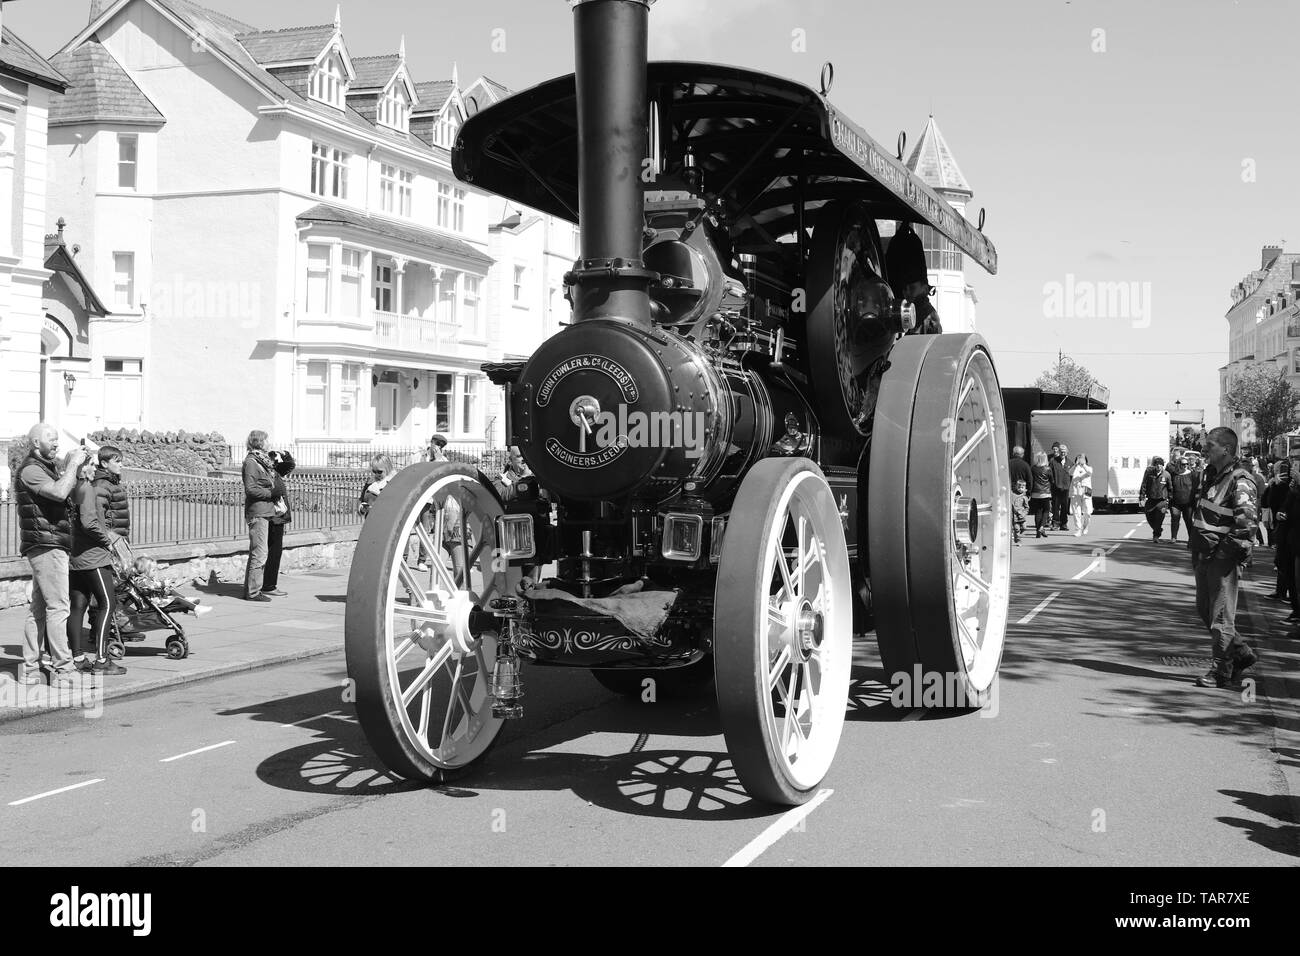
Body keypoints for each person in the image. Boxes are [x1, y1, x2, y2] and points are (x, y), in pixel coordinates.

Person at [15, 423, 87, 685]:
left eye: (57, 438)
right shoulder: (32, 470)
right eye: (51, 439)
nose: (56, 443)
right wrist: (71, 467)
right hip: (47, 545)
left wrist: (79, 473)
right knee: (59, 607)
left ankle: (31, 670)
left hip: (52, 543)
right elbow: (58, 493)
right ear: (36, 443)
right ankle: (64, 671)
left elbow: (74, 497)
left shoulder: (49, 468)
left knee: (40, 609)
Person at [1188, 426, 1259, 688]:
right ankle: (1241, 654)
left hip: (1222, 559)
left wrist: (1222, 557)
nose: (1205, 449)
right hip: (1204, 555)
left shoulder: (1241, 480)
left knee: (1220, 618)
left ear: (1226, 449)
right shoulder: (1213, 475)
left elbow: (1246, 527)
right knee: (1206, 611)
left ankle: (1222, 671)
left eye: (1210, 445)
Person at [67, 445, 130, 676]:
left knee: (78, 607)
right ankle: (102, 660)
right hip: (94, 557)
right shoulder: (87, 489)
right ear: (82, 468)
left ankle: (77, 658)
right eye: (91, 465)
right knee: (107, 604)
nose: (94, 469)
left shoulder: (72, 488)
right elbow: (90, 523)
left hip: (76, 558)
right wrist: (108, 542)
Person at [241, 430, 281, 602]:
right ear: (259, 442)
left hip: (265, 511)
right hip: (257, 511)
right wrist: (270, 492)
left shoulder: (262, 460)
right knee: (260, 553)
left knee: (257, 552)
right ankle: (254, 592)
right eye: (266, 440)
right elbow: (250, 488)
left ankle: (251, 589)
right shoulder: (251, 462)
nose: (269, 442)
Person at [884, 223, 942, 335]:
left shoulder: (927, 316)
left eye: (912, 288)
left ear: (925, 288)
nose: (907, 293)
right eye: (904, 289)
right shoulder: (912, 312)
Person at [262, 449, 296, 597]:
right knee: (274, 552)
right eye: (274, 460)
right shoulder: (268, 473)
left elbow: (290, 465)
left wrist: (285, 454)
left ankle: (267, 583)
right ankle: (268, 585)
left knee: (274, 552)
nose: (275, 462)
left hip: (277, 517)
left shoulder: (275, 471)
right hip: (274, 517)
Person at [1167, 452, 1200, 545]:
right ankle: (1173, 538)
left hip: (1188, 503)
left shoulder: (1192, 474)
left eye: (1186, 464)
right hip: (1175, 503)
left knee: (1189, 521)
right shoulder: (1174, 474)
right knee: (1174, 519)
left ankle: (1191, 539)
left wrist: (1196, 501)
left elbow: (1197, 488)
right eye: (1183, 464)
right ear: (1179, 464)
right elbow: (1169, 487)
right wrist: (1169, 497)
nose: (1185, 466)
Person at [1140, 456, 1170, 542]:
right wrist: (1142, 497)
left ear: (1163, 466)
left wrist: (1169, 500)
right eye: (1157, 464)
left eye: (1160, 464)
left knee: (1159, 519)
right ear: (1154, 465)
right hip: (1151, 499)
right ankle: (1158, 530)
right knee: (1149, 517)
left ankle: (1156, 536)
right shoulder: (1149, 473)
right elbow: (1144, 485)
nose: (1158, 466)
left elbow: (1170, 488)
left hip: (1162, 501)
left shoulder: (1167, 475)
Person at [1049, 442, 1072, 531]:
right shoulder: (1053, 461)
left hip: (1066, 488)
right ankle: (1055, 524)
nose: (1063, 453)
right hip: (1056, 488)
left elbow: (1072, 475)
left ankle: (1064, 524)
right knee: (1055, 506)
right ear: (1059, 451)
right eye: (1061, 451)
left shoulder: (1070, 462)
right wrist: (1053, 483)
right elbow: (1050, 473)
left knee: (1064, 506)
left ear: (1067, 452)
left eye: (1064, 452)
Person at [1029, 452, 1053, 538]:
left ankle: (1038, 532)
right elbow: (1052, 480)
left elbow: (1031, 480)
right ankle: (1042, 527)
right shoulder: (1048, 469)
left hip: (1035, 493)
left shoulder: (1033, 468)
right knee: (1046, 510)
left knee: (1038, 512)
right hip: (1045, 493)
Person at [1069, 453, 1093, 536]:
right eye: (1079, 458)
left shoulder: (1088, 468)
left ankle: (1085, 526)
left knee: (1088, 511)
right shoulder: (1075, 468)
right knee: (1076, 512)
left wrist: (1083, 464)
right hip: (1075, 492)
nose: (1080, 460)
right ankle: (1078, 529)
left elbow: (1090, 472)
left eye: (1082, 459)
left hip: (1086, 491)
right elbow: (1070, 472)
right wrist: (1076, 465)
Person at [1011, 479, 1029, 546]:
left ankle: (1017, 536)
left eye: (1022, 487)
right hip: (1015, 516)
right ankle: (1018, 540)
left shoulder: (1024, 497)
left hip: (1022, 516)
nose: (1020, 489)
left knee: (1024, 528)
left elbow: (1027, 507)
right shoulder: (1013, 495)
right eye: (1019, 487)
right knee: (1017, 529)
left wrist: (1024, 514)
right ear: (1016, 487)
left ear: (1025, 488)